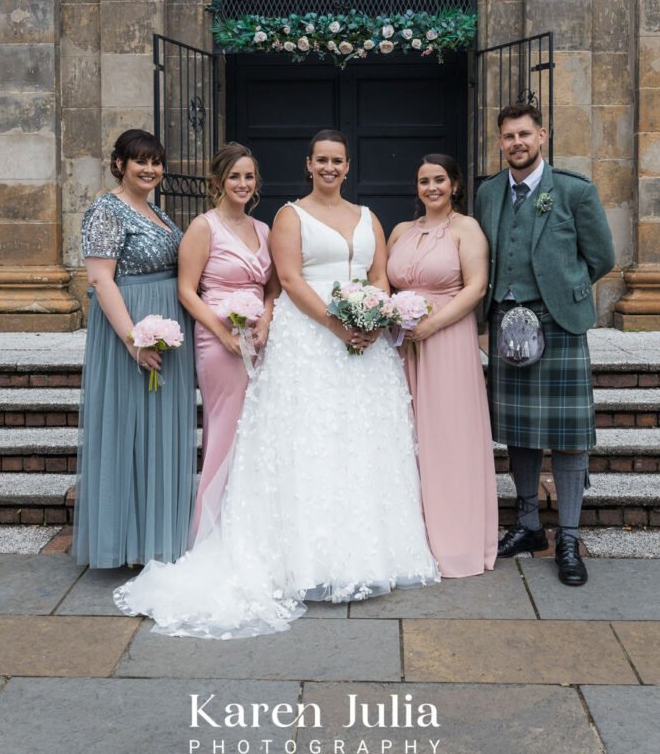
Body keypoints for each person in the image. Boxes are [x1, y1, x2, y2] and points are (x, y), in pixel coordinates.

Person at [114, 129, 439, 637]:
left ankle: (363, 553)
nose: (329, 168)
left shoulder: (368, 217)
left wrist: (372, 317)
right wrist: (337, 325)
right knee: (307, 442)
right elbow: (287, 281)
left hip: (364, 343)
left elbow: (379, 276)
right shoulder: (289, 217)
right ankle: (302, 557)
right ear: (308, 165)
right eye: (321, 161)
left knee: (359, 443)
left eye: (338, 161)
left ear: (348, 166)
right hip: (311, 340)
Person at [474, 103, 615, 586]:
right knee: (520, 431)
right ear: (500, 142)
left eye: (524, 135)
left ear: (542, 136)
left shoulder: (574, 190)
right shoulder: (489, 193)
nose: (517, 143)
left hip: (557, 323)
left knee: (570, 436)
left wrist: (563, 294)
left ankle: (569, 537)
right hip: (505, 322)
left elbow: (601, 257)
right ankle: (530, 524)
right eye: (508, 136)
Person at [75, 130, 197, 568]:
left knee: (161, 434)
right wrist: (133, 342)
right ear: (120, 164)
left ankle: (157, 536)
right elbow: (101, 280)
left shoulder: (155, 210)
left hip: (167, 329)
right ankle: (125, 543)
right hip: (133, 329)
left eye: (156, 162)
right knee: (131, 431)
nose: (150, 169)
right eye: (140, 161)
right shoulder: (105, 210)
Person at [387, 154, 498, 578]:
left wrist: (430, 324)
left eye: (438, 180)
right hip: (400, 344)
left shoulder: (466, 229)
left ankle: (455, 543)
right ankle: (410, 537)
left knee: (447, 435)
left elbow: (475, 287)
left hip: (447, 338)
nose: (431, 188)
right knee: (406, 434)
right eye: (423, 181)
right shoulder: (400, 231)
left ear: (454, 184)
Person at [176, 143, 279, 541]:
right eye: (234, 176)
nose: (242, 183)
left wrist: (267, 320)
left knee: (256, 428)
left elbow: (272, 289)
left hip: (258, 338)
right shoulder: (204, 227)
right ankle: (210, 531)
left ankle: (249, 526)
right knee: (225, 427)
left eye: (248, 176)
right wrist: (222, 334)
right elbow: (188, 292)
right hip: (218, 340)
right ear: (217, 181)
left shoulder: (264, 230)